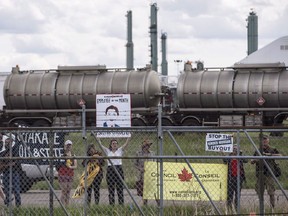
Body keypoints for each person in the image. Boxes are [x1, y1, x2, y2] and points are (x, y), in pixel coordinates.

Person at [251, 135, 282, 209]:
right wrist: (256, 160)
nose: (264, 141)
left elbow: (280, 156)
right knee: (259, 191)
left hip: (269, 173)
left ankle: (272, 208)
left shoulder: (272, 149)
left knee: (271, 192)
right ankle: (262, 207)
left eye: (265, 140)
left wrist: (268, 155)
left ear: (268, 140)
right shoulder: (258, 150)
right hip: (260, 173)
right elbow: (252, 161)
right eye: (263, 140)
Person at [98, 137, 130, 205]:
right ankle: (112, 204)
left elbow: (126, 144)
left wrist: (129, 137)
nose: (114, 144)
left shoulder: (120, 150)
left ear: (117, 144)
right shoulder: (107, 151)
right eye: (113, 143)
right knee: (111, 188)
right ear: (110, 145)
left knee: (120, 188)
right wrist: (98, 138)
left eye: (116, 143)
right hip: (110, 169)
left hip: (119, 168)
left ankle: (121, 204)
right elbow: (101, 145)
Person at [222, 145, 247, 213]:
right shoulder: (229, 156)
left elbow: (246, 160)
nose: (234, 150)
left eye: (236, 149)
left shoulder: (240, 157)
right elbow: (224, 161)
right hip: (231, 178)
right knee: (230, 194)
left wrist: (241, 154)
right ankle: (229, 207)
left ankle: (236, 208)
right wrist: (223, 154)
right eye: (233, 149)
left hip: (239, 178)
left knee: (237, 194)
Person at [1, 134, 21, 207]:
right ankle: (9, 206)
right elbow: (1, 164)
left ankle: (18, 206)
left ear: (12, 141)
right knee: (7, 190)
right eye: (6, 141)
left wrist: (5, 165)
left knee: (16, 190)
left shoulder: (15, 151)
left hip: (14, 172)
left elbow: (15, 163)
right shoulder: (3, 153)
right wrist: (7, 164)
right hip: (6, 173)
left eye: (8, 141)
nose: (6, 142)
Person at [135, 139, 155, 205]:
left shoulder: (152, 153)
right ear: (143, 146)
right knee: (144, 193)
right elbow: (135, 164)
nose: (148, 146)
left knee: (155, 192)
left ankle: (159, 206)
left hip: (151, 175)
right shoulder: (138, 153)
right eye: (147, 145)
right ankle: (145, 206)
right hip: (142, 175)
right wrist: (140, 169)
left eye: (149, 145)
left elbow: (155, 163)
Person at [58, 139, 77, 206]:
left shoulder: (73, 154)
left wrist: (70, 167)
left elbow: (75, 165)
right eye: (67, 145)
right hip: (62, 174)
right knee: (64, 190)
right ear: (65, 146)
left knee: (68, 190)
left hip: (70, 174)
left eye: (70, 145)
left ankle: (67, 205)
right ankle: (62, 205)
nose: (68, 147)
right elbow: (58, 164)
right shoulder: (62, 154)